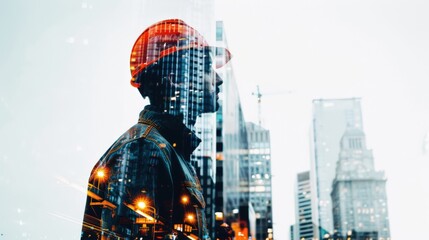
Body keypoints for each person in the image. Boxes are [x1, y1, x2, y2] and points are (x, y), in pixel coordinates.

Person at [81, 19, 232, 240]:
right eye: (207, 68)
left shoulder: (169, 151)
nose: (218, 79)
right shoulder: (143, 150)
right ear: (175, 80)